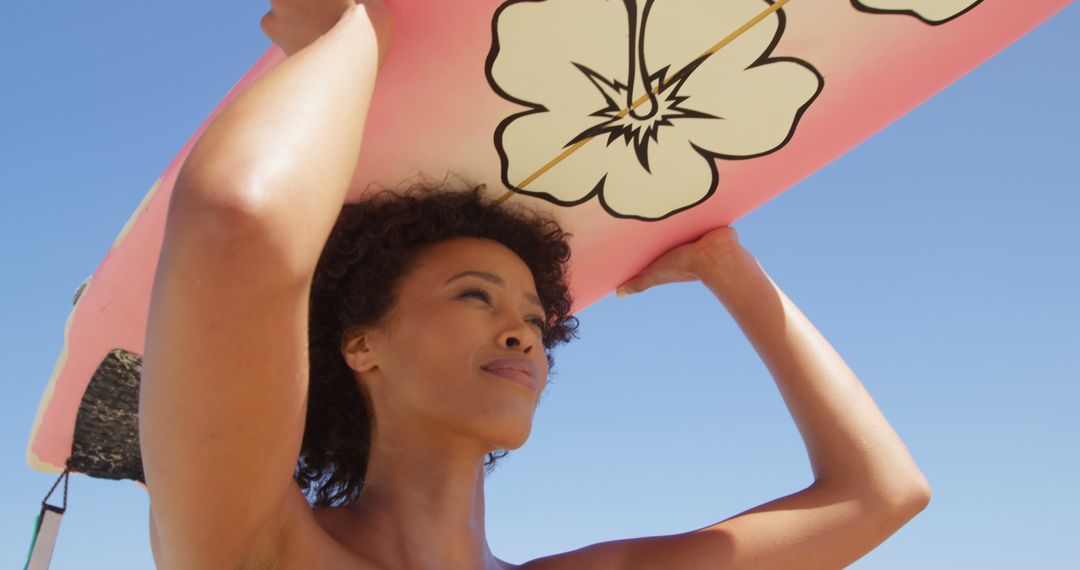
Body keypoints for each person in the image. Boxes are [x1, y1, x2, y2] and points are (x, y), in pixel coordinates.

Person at [138, 1, 931, 568]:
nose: (524, 334)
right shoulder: (258, 546)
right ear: (360, 343)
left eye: (537, 321)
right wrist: (349, 33)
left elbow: (881, 495)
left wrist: (724, 265)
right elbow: (237, 225)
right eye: (475, 295)